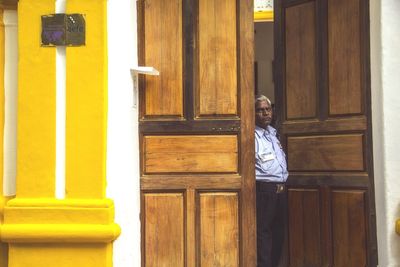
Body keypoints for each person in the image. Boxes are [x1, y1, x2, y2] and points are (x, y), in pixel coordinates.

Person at [255, 95, 288, 267]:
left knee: (279, 231)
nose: (265, 113)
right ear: (254, 113)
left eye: (268, 109)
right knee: (264, 232)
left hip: (281, 189)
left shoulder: (273, 134)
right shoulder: (252, 136)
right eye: (260, 110)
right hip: (264, 190)